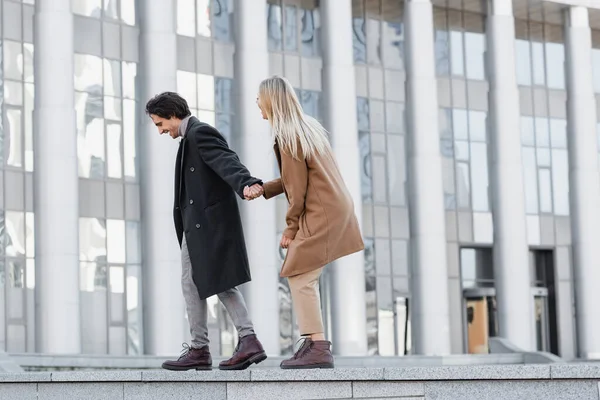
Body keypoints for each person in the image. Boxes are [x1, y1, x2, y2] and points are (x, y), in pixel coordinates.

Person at [245, 76, 365, 369]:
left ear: (271, 100)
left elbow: (297, 191)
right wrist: (265, 187)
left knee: (300, 275)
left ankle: (317, 346)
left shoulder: (287, 136)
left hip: (321, 211)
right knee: (302, 276)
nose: (257, 103)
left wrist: (290, 228)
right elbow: (294, 178)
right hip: (332, 207)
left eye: (259, 98)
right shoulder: (305, 128)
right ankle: (314, 343)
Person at [145, 92, 267, 371]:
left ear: (173, 115)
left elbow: (227, 160)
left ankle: (204, 348)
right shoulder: (189, 139)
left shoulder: (200, 134)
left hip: (207, 226)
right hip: (199, 226)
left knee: (203, 282)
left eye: (160, 123)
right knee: (209, 282)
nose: (161, 131)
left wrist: (246, 181)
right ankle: (241, 341)